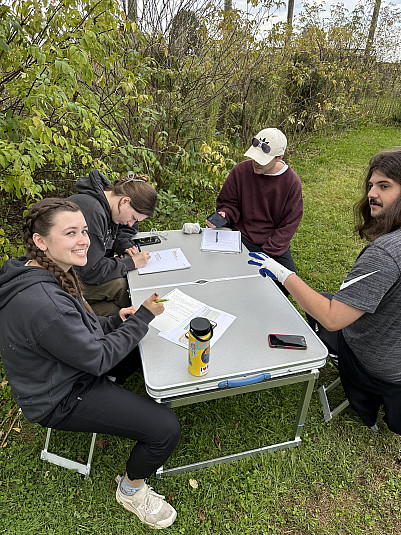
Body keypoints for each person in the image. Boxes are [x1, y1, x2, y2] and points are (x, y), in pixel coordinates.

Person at [0, 198, 180, 529]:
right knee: (165, 429)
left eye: (84, 231)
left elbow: (81, 328)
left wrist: (117, 321)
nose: (84, 240)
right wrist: (139, 319)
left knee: (140, 345)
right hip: (60, 396)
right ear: (41, 241)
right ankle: (131, 490)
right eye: (70, 233)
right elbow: (97, 358)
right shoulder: (43, 303)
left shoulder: (44, 270)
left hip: (70, 366)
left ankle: (115, 395)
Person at [248, 148, 401, 435]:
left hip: (379, 364)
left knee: (320, 309)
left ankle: (345, 366)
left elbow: (332, 318)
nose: (371, 194)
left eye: (384, 186)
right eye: (371, 185)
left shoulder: (385, 254)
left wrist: (283, 273)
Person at [206, 127, 303, 294]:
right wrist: (224, 214)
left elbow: (288, 225)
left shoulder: (291, 182)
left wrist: (267, 254)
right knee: (222, 276)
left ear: (279, 157)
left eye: (262, 159)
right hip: (241, 236)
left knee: (285, 286)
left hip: (273, 243)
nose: (256, 163)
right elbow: (228, 203)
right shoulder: (240, 171)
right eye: (254, 157)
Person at [68, 170, 157, 316]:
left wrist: (122, 243)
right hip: (64, 279)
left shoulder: (110, 204)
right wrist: (131, 263)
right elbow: (91, 270)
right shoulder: (91, 213)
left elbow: (125, 229)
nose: (131, 224)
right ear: (125, 201)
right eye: (133, 217)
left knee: (118, 308)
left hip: (81, 273)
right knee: (122, 286)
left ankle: (124, 319)